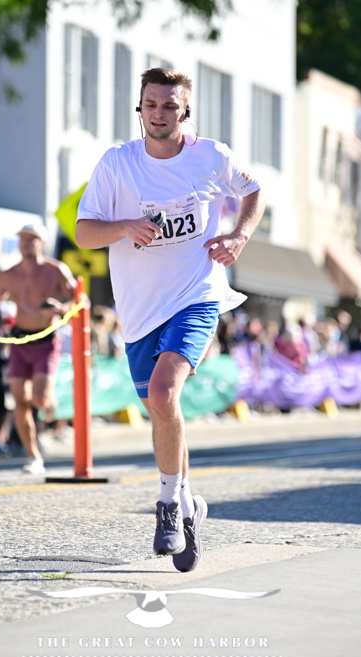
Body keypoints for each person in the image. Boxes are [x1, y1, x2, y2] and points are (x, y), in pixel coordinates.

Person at [75, 67, 266, 572]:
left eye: (169, 106)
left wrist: (239, 236)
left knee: (163, 395)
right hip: (139, 312)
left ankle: (165, 506)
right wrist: (125, 226)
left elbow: (254, 191)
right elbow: (84, 233)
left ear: (186, 112)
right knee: (162, 412)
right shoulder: (117, 164)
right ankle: (187, 504)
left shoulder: (212, 156)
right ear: (139, 109)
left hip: (196, 297)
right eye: (151, 105)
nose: (158, 114)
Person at [0, 222, 77, 475]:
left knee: (39, 399)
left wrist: (61, 308)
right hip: (19, 340)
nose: (26, 243)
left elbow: (78, 298)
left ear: (42, 242)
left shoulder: (55, 269)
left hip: (46, 340)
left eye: (31, 238)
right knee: (20, 401)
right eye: (22, 239)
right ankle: (33, 456)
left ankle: (49, 401)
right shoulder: (8, 274)